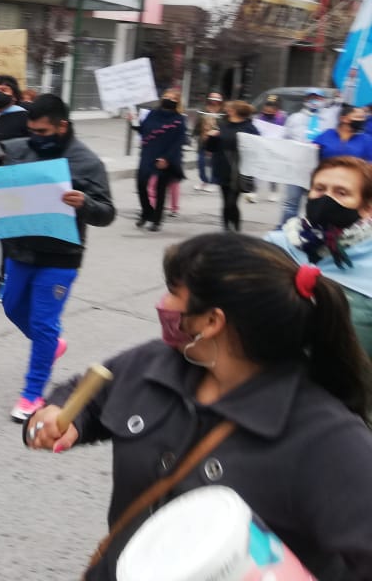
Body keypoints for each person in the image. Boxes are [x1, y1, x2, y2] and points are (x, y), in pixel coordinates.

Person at [24, 233, 372, 581]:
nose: (162, 302)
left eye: (173, 292)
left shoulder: (329, 437)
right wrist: (58, 416)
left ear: (212, 321)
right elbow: (86, 396)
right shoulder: (151, 362)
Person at [0, 94, 115, 421]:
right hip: (20, 249)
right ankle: (51, 344)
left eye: (43, 132)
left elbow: (107, 213)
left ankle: (33, 394)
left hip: (61, 257)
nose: (35, 137)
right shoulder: (17, 149)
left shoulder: (87, 162)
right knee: (11, 306)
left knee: (43, 322)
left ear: (62, 126)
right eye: (31, 130)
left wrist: (86, 204)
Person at [268, 156, 372, 358]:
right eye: (319, 189)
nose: (326, 199)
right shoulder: (275, 246)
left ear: (367, 208)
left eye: (341, 193)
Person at [133, 89, 187, 232]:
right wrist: (133, 122)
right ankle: (147, 211)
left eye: (172, 98)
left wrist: (166, 158)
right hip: (148, 154)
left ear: (177, 102)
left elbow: (179, 141)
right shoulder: (153, 114)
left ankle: (157, 220)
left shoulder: (179, 119)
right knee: (141, 184)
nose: (168, 99)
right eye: (166, 96)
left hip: (166, 156)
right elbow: (144, 130)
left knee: (160, 189)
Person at [281, 89, 336, 224]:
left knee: (315, 203)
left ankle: (311, 229)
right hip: (297, 166)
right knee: (291, 203)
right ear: (305, 100)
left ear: (323, 101)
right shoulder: (294, 118)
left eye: (318, 98)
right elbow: (285, 139)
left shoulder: (330, 120)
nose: (314, 101)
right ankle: (284, 229)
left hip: (320, 168)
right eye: (311, 97)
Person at [204, 100, 260, 232]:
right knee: (225, 201)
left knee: (231, 202)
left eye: (229, 108)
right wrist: (211, 137)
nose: (226, 110)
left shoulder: (249, 128)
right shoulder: (222, 125)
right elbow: (210, 148)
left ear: (234, 111)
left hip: (239, 170)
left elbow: (257, 148)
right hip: (222, 167)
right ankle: (226, 230)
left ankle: (236, 229)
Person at [254, 94, 288, 203]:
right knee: (257, 170)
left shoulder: (282, 118)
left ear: (277, 107)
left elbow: (286, 133)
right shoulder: (258, 117)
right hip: (261, 147)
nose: (269, 108)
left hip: (275, 148)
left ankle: (274, 190)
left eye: (273, 106)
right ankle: (254, 191)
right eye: (268, 105)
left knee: (273, 170)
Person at [189, 91, 223, 192]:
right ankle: (204, 181)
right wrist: (193, 136)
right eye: (212, 98)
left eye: (216, 99)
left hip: (216, 141)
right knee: (201, 162)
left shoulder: (223, 112)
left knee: (214, 163)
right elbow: (198, 125)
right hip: (203, 140)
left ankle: (214, 182)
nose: (214, 101)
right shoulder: (203, 110)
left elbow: (225, 127)